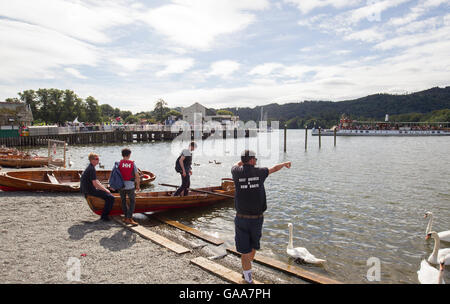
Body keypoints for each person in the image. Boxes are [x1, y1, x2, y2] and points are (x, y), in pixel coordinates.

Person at [231, 150, 291, 284]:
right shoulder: (260, 172)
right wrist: (284, 163)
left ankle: (246, 270)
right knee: (250, 250)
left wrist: (243, 161)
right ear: (252, 160)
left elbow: (235, 164)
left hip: (242, 218)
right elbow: (274, 168)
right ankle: (248, 278)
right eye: (255, 159)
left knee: (249, 249)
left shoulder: (235, 171)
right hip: (256, 219)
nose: (256, 161)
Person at [80, 153, 115, 221]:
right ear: (92, 160)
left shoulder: (90, 167)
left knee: (107, 192)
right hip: (89, 190)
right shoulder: (91, 169)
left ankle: (104, 212)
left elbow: (96, 181)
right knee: (111, 198)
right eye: (96, 159)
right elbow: (95, 183)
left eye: (98, 159)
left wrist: (104, 188)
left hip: (87, 189)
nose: (98, 160)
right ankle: (104, 216)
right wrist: (106, 190)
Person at [118, 148, 140, 226]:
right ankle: (129, 218)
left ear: (122, 155)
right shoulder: (132, 163)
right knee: (132, 202)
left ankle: (126, 217)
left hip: (121, 186)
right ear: (129, 155)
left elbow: (115, 175)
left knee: (123, 201)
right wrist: (138, 185)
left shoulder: (118, 163)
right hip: (130, 186)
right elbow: (137, 176)